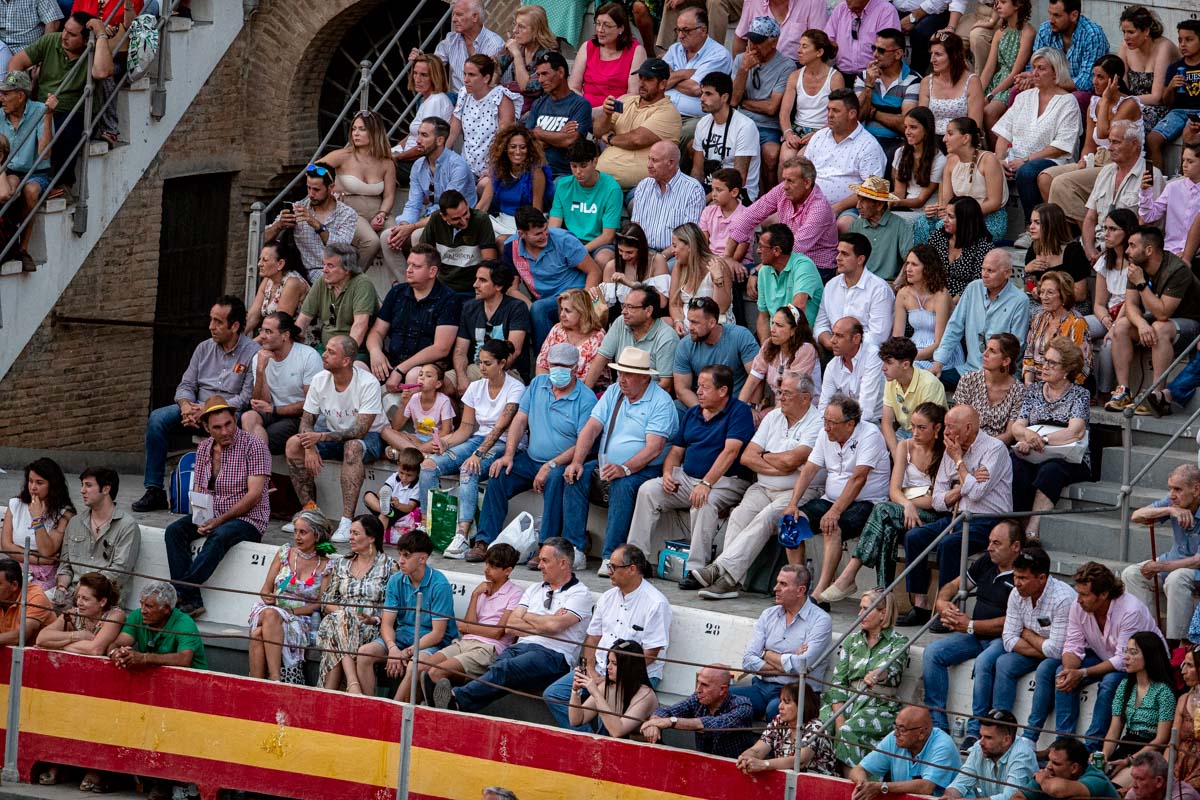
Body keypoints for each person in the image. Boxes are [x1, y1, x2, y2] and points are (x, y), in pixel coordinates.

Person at [691, 373, 824, 601]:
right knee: (739, 515)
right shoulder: (773, 417)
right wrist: (778, 464)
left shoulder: (817, 422)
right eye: (779, 392)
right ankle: (731, 581)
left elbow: (794, 459)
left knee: (765, 518)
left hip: (797, 493)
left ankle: (720, 570)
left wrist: (767, 457)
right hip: (762, 488)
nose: (780, 398)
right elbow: (747, 457)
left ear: (805, 398)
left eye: (786, 394)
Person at [469, 344, 597, 565]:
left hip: (561, 462)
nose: (557, 370)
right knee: (499, 474)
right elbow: (519, 420)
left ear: (575, 368)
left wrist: (551, 465)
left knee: (556, 479)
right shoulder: (538, 384)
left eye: (564, 366)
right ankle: (484, 541)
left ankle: (545, 547)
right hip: (530, 459)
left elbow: (582, 444)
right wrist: (508, 454)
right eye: (554, 365)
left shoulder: (586, 399)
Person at [432, 538, 593, 713]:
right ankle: (456, 706)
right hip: (522, 647)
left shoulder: (580, 594)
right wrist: (546, 621)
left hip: (555, 655)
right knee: (499, 671)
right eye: (539, 560)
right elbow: (510, 626)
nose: (539, 566)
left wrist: (529, 617)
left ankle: (456, 698)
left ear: (563, 563)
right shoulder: (534, 589)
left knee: (503, 669)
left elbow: (553, 626)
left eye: (545, 561)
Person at [131, 296, 259, 513]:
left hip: (226, 414)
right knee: (158, 419)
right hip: (195, 408)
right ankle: (154, 490)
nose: (211, 327)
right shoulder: (203, 348)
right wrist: (185, 406)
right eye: (211, 320)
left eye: (218, 322)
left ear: (235, 326)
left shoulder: (253, 352)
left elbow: (245, 397)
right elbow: (186, 385)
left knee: (226, 420)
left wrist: (209, 410)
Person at [630, 364, 754, 583]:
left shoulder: (739, 411)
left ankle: (696, 569)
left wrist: (706, 483)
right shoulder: (693, 412)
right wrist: (668, 473)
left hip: (726, 481)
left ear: (723, 390)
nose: (698, 392)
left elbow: (731, 452)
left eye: (705, 388)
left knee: (703, 502)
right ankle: (635, 560)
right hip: (688, 478)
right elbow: (676, 451)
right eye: (698, 386)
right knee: (649, 489)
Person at [565, 349, 678, 572]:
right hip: (609, 463)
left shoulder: (661, 402)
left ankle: (611, 556)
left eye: (628, 375)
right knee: (575, 475)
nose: (622, 379)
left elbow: (654, 449)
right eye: (620, 373)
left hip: (646, 468)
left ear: (645, 377)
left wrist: (625, 468)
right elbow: (592, 427)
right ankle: (575, 550)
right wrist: (576, 460)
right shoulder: (614, 391)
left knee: (623, 485)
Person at [819, 402, 946, 600]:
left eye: (922, 428)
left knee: (883, 510)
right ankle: (883, 595)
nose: (915, 432)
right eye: (912, 426)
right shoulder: (905, 446)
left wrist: (909, 503)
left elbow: (936, 500)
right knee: (886, 528)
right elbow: (893, 490)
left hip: (933, 514)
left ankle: (850, 575)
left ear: (937, 428)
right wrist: (907, 504)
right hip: (904, 509)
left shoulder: (945, 452)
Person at [900, 405, 1013, 625]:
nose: (947, 433)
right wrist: (964, 484)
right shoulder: (950, 450)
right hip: (956, 514)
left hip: (987, 520)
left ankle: (946, 612)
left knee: (950, 544)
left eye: (951, 428)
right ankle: (921, 604)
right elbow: (938, 500)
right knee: (915, 537)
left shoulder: (994, 448)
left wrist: (960, 463)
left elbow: (979, 494)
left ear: (968, 427)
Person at [544, 543, 671, 730]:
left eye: (613, 567)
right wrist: (590, 669)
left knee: (609, 717)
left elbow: (650, 654)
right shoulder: (608, 597)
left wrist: (610, 680)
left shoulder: (656, 603)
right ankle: (588, 740)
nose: (608, 571)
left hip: (633, 675)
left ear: (632, 569)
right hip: (601, 669)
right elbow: (592, 638)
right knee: (554, 694)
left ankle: (594, 742)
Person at [163, 397, 270, 619]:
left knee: (219, 536)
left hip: (248, 519)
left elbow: (254, 495)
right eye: (217, 427)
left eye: (228, 424)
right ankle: (192, 600)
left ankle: (179, 591)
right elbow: (201, 489)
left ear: (235, 419)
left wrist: (218, 520)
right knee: (174, 532)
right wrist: (201, 517)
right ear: (206, 428)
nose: (225, 431)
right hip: (213, 513)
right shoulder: (204, 448)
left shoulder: (254, 446)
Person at [1037, 563, 1161, 752]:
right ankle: (1064, 745)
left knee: (1111, 682)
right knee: (1062, 672)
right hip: (1106, 657)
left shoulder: (1130, 611)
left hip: (1141, 666)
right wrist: (1071, 671)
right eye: (1078, 593)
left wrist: (1083, 672)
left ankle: (1092, 747)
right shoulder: (1078, 607)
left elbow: (1123, 659)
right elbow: (1072, 645)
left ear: (1103, 594)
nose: (1078, 600)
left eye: (1084, 595)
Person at [783, 393, 891, 597]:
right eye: (825, 421)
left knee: (832, 525)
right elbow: (809, 470)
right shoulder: (826, 434)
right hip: (831, 500)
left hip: (866, 502)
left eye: (832, 423)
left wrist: (835, 511)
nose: (826, 427)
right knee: (791, 523)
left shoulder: (870, 434)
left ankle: (821, 591)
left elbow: (859, 478)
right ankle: (799, 586)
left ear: (850, 424)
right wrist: (792, 504)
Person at [921, 520, 1022, 736]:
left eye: (997, 543)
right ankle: (938, 723)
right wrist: (942, 603)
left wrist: (969, 625)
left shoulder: (1022, 576)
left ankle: (976, 731)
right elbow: (954, 585)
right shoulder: (986, 561)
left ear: (1016, 547)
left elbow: (1013, 622)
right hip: (974, 634)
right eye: (989, 542)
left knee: (985, 662)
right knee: (933, 653)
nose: (989, 548)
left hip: (1002, 639)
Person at [285, 335, 388, 543]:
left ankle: (346, 522)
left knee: (352, 447)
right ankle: (311, 515)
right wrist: (309, 447)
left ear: (346, 361)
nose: (324, 354)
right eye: (326, 350)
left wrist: (319, 437)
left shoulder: (368, 383)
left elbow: (360, 431)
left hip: (371, 437)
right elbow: (306, 421)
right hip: (333, 434)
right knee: (293, 444)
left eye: (331, 352)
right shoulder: (319, 379)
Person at [10, 13, 111, 201]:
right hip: (42, 106)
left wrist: (101, 33)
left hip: (76, 110)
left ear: (84, 39)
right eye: (65, 29)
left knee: (64, 130)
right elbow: (18, 61)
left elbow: (102, 71)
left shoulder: (93, 48)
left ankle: (61, 182)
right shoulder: (51, 41)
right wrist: (18, 91)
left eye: (72, 34)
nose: (64, 36)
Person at [406, 543, 523, 704]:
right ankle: (411, 712)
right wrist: (475, 595)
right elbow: (466, 625)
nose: (487, 569)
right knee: (419, 667)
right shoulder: (482, 589)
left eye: (494, 566)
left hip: (488, 649)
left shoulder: (515, 593)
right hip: (465, 643)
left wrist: (469, 628)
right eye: (487, 563)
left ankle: (434, 716)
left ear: (507, 571)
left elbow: (497, 632)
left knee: (435, 673)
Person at [1042, 66, 1145, 241]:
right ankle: (1066, 235)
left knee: (1062, 183)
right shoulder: (1094, 102)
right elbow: (1090, 142)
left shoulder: (1129, 103)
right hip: (1097, 158)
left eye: (1101, 77)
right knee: (1046, 177)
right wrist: (1083, 161)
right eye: (1093, 76)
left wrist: (1105, 100)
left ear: (1115, 81)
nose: (1094, 81)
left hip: (1115, 162)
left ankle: (1088, 238)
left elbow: (1106, 132)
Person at [1106, 227, 1200, 417]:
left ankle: (1155, 393)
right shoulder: (1136, 267)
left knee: (1159, 327)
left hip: (1191, 325)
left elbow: (1163, 312)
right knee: (1122, 325)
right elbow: (1130, 304)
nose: (1127, 251)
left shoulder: (1176, 270)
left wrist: (1141, 283)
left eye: (1132, 246)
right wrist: (1141, 324)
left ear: (1149, 250)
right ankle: (1123, 391)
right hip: (1159, 322)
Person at [354, 530, 457, 697]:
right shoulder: (396, 580)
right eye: (400, 554)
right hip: (402, 638)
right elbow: (387, 624)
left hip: (432, 643)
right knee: (364, 653)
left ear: (422, 559)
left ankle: (396, 712)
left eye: (406, 556)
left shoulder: (440, 584)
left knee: (413, 665)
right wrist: (393, 649)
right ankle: (371, 708)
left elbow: (437, 634)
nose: (400, 561)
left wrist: (406, 653)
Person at [1010, 337, 1091, 537]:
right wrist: (1027, 436)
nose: (1044, 367)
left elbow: (1075, 431)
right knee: (1015, 464)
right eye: (1044, 360)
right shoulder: (1034, 391)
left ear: (1067, 370)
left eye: (1052, 363)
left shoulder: (1080, 394)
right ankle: (1015, 523)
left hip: (1068, 457)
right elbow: (1018, 426)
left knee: (1051, 470)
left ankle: (1032, 529)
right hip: (1034, 453)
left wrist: (1043, 441)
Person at [820, 593, 911, 767]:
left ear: (883, 613)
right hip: (847, 701)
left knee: (848, 732)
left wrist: (878, 673)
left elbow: (893, 667)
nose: (859, 613)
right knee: (819, 725)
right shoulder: (851, 641)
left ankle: (851, 786)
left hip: (880, 704)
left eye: (865, 609)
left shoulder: (899, 642)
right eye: (860, 608)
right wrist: (839, 719)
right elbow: (838, 682)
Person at [994, 48, 1083, 224]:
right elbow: (1003, 135)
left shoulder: (1068, 102)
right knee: (985, 163)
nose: (1034, 73)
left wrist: (1026, 160)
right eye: (1034, 67)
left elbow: (1059, 148)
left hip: (1052, 161)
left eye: (1041, 68)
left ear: (1056, 72)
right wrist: (999, 159)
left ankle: (1031, 225)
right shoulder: (1024, 97)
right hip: (1016, 159)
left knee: (1027, 172)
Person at [381, 117, 477, 277]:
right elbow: (413, 204)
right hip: (429, 219)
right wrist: (404, 225)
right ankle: (407, 286)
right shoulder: (418, 166)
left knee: (419, 236)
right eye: (418, 134)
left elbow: (446, 211)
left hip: (457, 222)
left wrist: (411, 228)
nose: (418, 140)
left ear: (439, 140)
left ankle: (427, 286)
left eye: (424, 135)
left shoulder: (457, 166)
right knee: (387, 237)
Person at [735, 564, 833, 720]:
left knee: (777, 708)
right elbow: (747, 660)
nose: (775, 588)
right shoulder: (768, 614)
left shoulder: (821, 621)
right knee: (722, 696)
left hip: (799, 691)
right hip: (762, 687)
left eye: (783, 584)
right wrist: (789, 662)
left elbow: (803, 665)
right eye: (777, 582)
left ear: (800, 590)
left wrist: (765, 653)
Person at [246, 510, 333, 683]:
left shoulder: (326, 565)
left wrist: (293, 611)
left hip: (301, 618)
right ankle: (276, 679)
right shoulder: (284, 553)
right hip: (272, 610)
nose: (297, 537)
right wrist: (268, 597)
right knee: (271, 614)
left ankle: (257, 684)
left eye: (303, 532)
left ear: (317, 536)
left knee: (258, 633)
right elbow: (265, 589)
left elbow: (320, 603)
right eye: (295, 531)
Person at [367, 244, 462, 397]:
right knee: (357, 368)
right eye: (408, 264)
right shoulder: (397, 292)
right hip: (393, 360)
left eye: (416, 266)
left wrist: (401, 369)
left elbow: (441, 348)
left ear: (432, 271)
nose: (408, 270)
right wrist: (375, 352)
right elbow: (377, 331)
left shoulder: (449, 299)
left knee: (415, 375)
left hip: (427, 366)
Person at [501, 206, 601, 351]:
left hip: (574, 294)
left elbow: (594, 271)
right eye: (537, 234)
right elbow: (511, 289)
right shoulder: (511, 247)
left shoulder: (563, 240)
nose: (544, 236)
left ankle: (545, 359)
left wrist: (584, 302)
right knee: (529, 309)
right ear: (522, 234)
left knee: (539, 309)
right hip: (543, 300)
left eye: (545, 230)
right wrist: (529, 306)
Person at [315, 515, 396, 690]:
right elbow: (326, 601)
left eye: (356, 533)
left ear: (372, 537)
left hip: (369, 628)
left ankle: (329, 692)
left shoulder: (390, 567)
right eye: (350, 532)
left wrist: (373, 619)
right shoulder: (341, 564)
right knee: (340, 620)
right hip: (338, 620)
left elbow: (393, 607)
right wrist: (347, 615)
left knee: (334, 638)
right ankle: (352, 684)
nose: (350, 537)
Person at [1122, 465, 1200, 645]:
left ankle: (1179, 643)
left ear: (1196, 489)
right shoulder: (1174, 503)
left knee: (1176, 578)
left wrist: (1160, 566)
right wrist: (1169, 510)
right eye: (1170, 488)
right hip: (1175, 562)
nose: (1172, 494)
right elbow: (1137, 516)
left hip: (1192, 571)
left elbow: (1197, 561)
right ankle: (1149, 638)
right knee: (1132, 574)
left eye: (1178, 489)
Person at [726, 156, 838, 280]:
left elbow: (795, 247)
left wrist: (760, 271)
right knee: (726, 272)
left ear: (807, 183)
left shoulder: (819, 208)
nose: (785, 186)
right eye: (784, 179)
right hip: (783, 258)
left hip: (815, 267)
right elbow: (750, 215)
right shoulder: (783, 190)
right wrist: (727, 257)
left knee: (762, 280)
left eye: (790, 181)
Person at [932, 249, 1029, 386]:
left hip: (1001, 374)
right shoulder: (973, 288)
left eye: (990, 271)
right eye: (983, 269)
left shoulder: (1020, 300)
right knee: (930, 382)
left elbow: (1016, 345)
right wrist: (939, 362)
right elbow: (954, 326)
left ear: (1007, 273)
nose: (984, 274)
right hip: (969, 370)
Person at [321, 110, 396, 269]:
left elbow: (389, 196)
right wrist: (329, 190)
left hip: (379, 210)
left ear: (375, 132)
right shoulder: (342, 155)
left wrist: (382, 214)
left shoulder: (386, 162)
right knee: (371, 241)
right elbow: (314, 169)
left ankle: (402, 283)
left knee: (395, 238)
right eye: (354, 129)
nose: (356, 133)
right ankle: (352, 279)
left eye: (362, 129)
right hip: (351, 211)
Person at [52, 467, 140, 604]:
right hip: (72, 594)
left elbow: (120, 572)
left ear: (106, 489)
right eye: (82, 485)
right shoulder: (75, 522)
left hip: (104, 600)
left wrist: (85, 589)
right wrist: (61, 587)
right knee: (35, 605)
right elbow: (65, 565)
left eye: (88, 485)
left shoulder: (127, 525)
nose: (82, 490)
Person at [263, 162, 359, 285]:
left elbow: (341, 249)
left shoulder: (347, 214)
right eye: (308, 188)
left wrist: (315, 224)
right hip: (307, 273)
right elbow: (260, 239)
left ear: (331, 187)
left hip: (338, 270)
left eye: (316, 189)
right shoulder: (298, 208)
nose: (311, 194)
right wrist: (279, 226)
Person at [1098, 632, 1174, 785]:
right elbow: (1115, 728)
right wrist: (1104, 757)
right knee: (1094, 781)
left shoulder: (1164, 692)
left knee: (1113, 788)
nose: (1126, 657)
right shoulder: (1124, 686)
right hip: (1126, 744)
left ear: (1149, 656)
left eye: (1133, 653)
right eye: (1126, 651)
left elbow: (1161, 739)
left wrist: (1129, 761)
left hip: (1150, 752)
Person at [594, 58, 682, 191]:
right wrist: (607, 114)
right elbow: (598, 132)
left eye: (648, 79)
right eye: (640, 78)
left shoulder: (669, 113)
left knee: (640, 204)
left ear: (662, 84)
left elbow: (636, 140)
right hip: (604, 184)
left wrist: (611, 139)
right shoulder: (626, 101)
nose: (641, 83)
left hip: (641, 189)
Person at [241, 312, 322, 455]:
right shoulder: (259, 357)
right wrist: (260, 370)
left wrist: (275, 410)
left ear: (285, 335)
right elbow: (261, 402)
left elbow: (311, 404)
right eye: (261, 330)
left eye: (268, 332)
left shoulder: (308, 356)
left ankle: (258, 470)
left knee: (260, 438)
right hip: (271, 411)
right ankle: (259, 469)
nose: (262, 336)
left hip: (300, 417)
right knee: (248, 417)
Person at [805, 89, 887, 226]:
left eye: (836, 111)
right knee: (771, 220)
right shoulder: (819, 136)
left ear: (852, 114)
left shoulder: (868, 145)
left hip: (849, 208)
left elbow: (871, 189)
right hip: (810, 201)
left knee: (843, 225)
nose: (829, 115)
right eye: (828, 110)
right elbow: (803, 172)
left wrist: (838, 207)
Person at [731, 17, 795, 192]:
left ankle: (770, 199)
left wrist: (744, 102)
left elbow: (771, 107)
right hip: (742, 123)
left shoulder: (786, 66)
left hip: (767, 126)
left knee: (771, 154)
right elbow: (733, 100)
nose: (752, 45)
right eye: (750, 39)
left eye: (758, 41)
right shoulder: (740, 60)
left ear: (773, 42)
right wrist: (744, 70)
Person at [640, 665, 757, 757]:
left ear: (722, 690)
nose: (697, 690)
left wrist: (671, 721)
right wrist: (654, 723)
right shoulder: (698, 698)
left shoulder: (743, 706)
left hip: (736, 769)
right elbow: (668, 710)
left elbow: (714, 725)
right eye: (698, 682)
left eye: (704, 685)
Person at [928, 116, 1009, 243]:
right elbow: (946, 202)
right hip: (958, 216)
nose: (944, 139)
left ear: (966, 138)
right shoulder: (950, 162)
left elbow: (994, 202)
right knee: (923, 222)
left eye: (950, 134)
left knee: (942, 227)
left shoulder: (988, 160)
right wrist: (936, 210)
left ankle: (948, 261)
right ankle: (925, 261)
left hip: (989, 218)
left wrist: (963, 215)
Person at [850, 705, 963, 795]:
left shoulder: (943, 745)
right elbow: (859, 769)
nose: (896, 733)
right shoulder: (893, 738)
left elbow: (926, 787)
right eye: (896, 726)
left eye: (902, 729)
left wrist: (881, 787)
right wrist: (863, 785)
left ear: (922, 733)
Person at [453, 262, 532, 389]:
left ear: (499, 285)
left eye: (482, 280)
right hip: (476, 368)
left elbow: (513, 352)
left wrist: (486, 377)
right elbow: (460, 351)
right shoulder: (469, 308)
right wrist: (461, 378)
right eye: (476, 279)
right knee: (440, 384)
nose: (475, 285)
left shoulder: (516, 307)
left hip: (507, 370)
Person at [585, 285, 678, 393]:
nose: (623, 312)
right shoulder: (621, 322)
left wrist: (633, 398)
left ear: (648, 310)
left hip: (649, 399)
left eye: (630, 307)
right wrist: (586, 393)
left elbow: (666, 384)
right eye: (623, 306)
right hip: (619, 392)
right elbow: (601, 358)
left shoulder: (667, 338)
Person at [0, 70, 51, 262]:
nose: (1, 98)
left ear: (20, 96)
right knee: (8, 190)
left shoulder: (39, 111)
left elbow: (45, 154)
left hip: (35, 172)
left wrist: (49, 115)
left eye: (6, 94)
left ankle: (22, 247)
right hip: (7, 170)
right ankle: (7, 240)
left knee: (30, 191)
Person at [672, 297, 760, 408]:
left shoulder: (740, 336)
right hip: (701, 405)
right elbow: (682, 389)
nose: (690, 328)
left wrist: (751, 407)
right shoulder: (685, 345)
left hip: (735, 405)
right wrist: (703, 411)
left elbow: (757, 375)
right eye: (689, 321)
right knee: (675, 407)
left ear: (712, 322)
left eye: (695, 323)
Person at [814, 233, 896, 351]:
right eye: (838, 252)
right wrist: (830, 343)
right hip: (834, 351)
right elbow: (821, 325)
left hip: (868, 354)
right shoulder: (831, 285)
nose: (838, 258)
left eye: (845, 254)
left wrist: (845, 345)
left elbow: (878, 336)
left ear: (860, 259)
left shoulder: (879, 289)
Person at [2, 457, 73, 591]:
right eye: (30, 481)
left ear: (52, 485)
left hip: (43, 576)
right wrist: (39, 559)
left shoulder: (64, 513)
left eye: (39, 483)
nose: (33, 487)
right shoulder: (16, 504)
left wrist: (36, 519)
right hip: (15, 570)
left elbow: (47, 551)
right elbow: (6, 546)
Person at [294, 243, 378, 355]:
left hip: (353, 353)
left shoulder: (362, 284)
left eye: (330, 266)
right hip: (325, 348)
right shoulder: (322, 281)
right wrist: (293, 348)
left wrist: (345, 355)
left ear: (347, 269)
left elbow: (360, 325)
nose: (324, 270)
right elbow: (303, 319)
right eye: (323, 264)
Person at [739, 683, 839, 776]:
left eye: (786, 702)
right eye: (780, 701)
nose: (780, 707)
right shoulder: (779, 721)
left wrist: (764, 764)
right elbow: (757, 751)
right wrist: (745, 758)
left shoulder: (816, 727)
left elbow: (799, 761)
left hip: (819, 787)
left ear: (802, 705)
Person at [564, 639, 660, 737]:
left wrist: (596, 694)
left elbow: (618, 731)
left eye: (614, 663)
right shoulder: (607, 686)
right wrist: (575, 691)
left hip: (640, 748)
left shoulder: (645, 695)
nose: (608, 667)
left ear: (629, 666)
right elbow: (576, 720)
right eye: (608, 662)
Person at [449, 54, 522, 182]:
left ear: (486, 78)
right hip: (466, 165)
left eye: (471, 75)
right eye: (464, 74)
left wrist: (493, 167)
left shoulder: (501, 97)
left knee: (483, 187)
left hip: (494, 166)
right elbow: (453, 130)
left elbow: (504, 137)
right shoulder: (463, 93)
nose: (465, 79)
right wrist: (439, 157)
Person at [1088, 208, 1137, 395]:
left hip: (1129, 314)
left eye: (1113, 229)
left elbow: (1131, 300)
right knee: (1075, 326)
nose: (1106, 234)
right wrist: (1106, 320)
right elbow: (1099, 303)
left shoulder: (1135, 261)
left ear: (1127, 232)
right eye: (1105, 228)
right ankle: (1080, 383)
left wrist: (1115, 326)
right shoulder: (1105, 261)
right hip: (1108, 314)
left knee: (1108, 344)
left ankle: (1104, 391)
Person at [548, 139, 621, 264]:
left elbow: (608, 236)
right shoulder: (563, 185)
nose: (578, 172)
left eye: (583, 166)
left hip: (599, 244)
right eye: (573, 166)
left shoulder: (611, 189)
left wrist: (579, 251)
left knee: (603, 259)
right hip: (570, 240)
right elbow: (554, 227)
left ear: (595, 161)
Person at [663, 7, 733, 136]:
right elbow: (659, 82)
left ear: (703, 30)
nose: (680, 36)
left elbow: (695, 88)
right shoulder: (675, 49)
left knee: (679, 134)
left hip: (694, 117)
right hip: (664, 110)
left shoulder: (719, 55)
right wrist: (684, 73)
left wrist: (671, 77)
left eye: (686, 30)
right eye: (678, 30)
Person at [778, 30, 845, 165]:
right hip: (797, 130)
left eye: (804, 46)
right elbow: (784, 112)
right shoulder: (795, 76)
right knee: (786, 158)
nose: (799, 51)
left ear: (819, 52)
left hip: (824, 131)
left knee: (802, 160)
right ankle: (782, 187)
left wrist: (818, 135)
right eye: (799, 46)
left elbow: (839, 113)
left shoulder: (835, 78)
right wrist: (788, 133)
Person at [415, 191, 501, 297]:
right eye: (456, 219)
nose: (463, 221)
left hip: (471, 288)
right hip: (442, 286)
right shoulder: (436, 219)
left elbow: (489, 260)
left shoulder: (481, 220)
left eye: (465, 213)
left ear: (467, 205)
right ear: (444, 216)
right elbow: (423, 254)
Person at [741, 306, 819, 421]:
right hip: (779, 408)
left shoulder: (805, 350)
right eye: (773, 323)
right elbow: (752, 381)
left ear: (793, 330)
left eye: (779, 325)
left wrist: (769, 421)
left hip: (803, 411)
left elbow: (790, 393)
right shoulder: (769, 345)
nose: (772, 329)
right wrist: (738, 409)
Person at [854, 29, 920, 163]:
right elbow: (856, 117)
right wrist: (868, 87)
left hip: (896, 143)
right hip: (863, 140)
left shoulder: (913, 81)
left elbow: (906, 125)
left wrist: (873, 113)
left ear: (898, 54)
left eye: (881, 51)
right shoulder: (864, 77)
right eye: (874, 48)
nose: (875, 54)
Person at [691, 72, 760, 200]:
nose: (702, 98)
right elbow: (697, 171)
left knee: (710, 210)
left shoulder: (745, 126)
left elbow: (739, 180)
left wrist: (703, 202)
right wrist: (692, 196)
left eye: (708, 94)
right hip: (709, 187)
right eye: (702, 93)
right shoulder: (703, 123)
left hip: (737, 193)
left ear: (724, 97)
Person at [631, 142, 707, 258]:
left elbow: (688, 237)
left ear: (671, 163)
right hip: (643, 251)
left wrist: (661, 257)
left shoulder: (693, 190)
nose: (649, 165)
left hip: (675, 255)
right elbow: (636, 226)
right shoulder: (644, 185)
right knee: (613, 266)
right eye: (649, 159)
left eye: (654, 161)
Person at [525, 51, 592, 181]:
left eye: (545, 74)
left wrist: (540, 133)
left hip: (563, 174)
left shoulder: (580, 105)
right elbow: (527, 142)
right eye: (538, 75)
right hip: (534, 171)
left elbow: (570, 141)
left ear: (560, 72)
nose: (540, 80)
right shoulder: (538, 103)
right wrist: (558, 135)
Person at [477, 125, 551, 243]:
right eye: (513, 147)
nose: (517, 152)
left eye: (522, 147)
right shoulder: (498, 170)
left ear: (529, 149)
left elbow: (537, 210)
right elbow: (483, 204)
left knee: (502, 241)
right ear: (505, 148)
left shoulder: (536, 172)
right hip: (501, 221)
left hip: (524, 226)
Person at [110, 581, 207, 670]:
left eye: (149, 606)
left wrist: (144, 658)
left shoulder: (185, 623)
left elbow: (184, 659)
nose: (143, 610)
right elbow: (117, 644)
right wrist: (116, 653)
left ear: (166, 609)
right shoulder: (137, 615)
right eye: (141, 604)